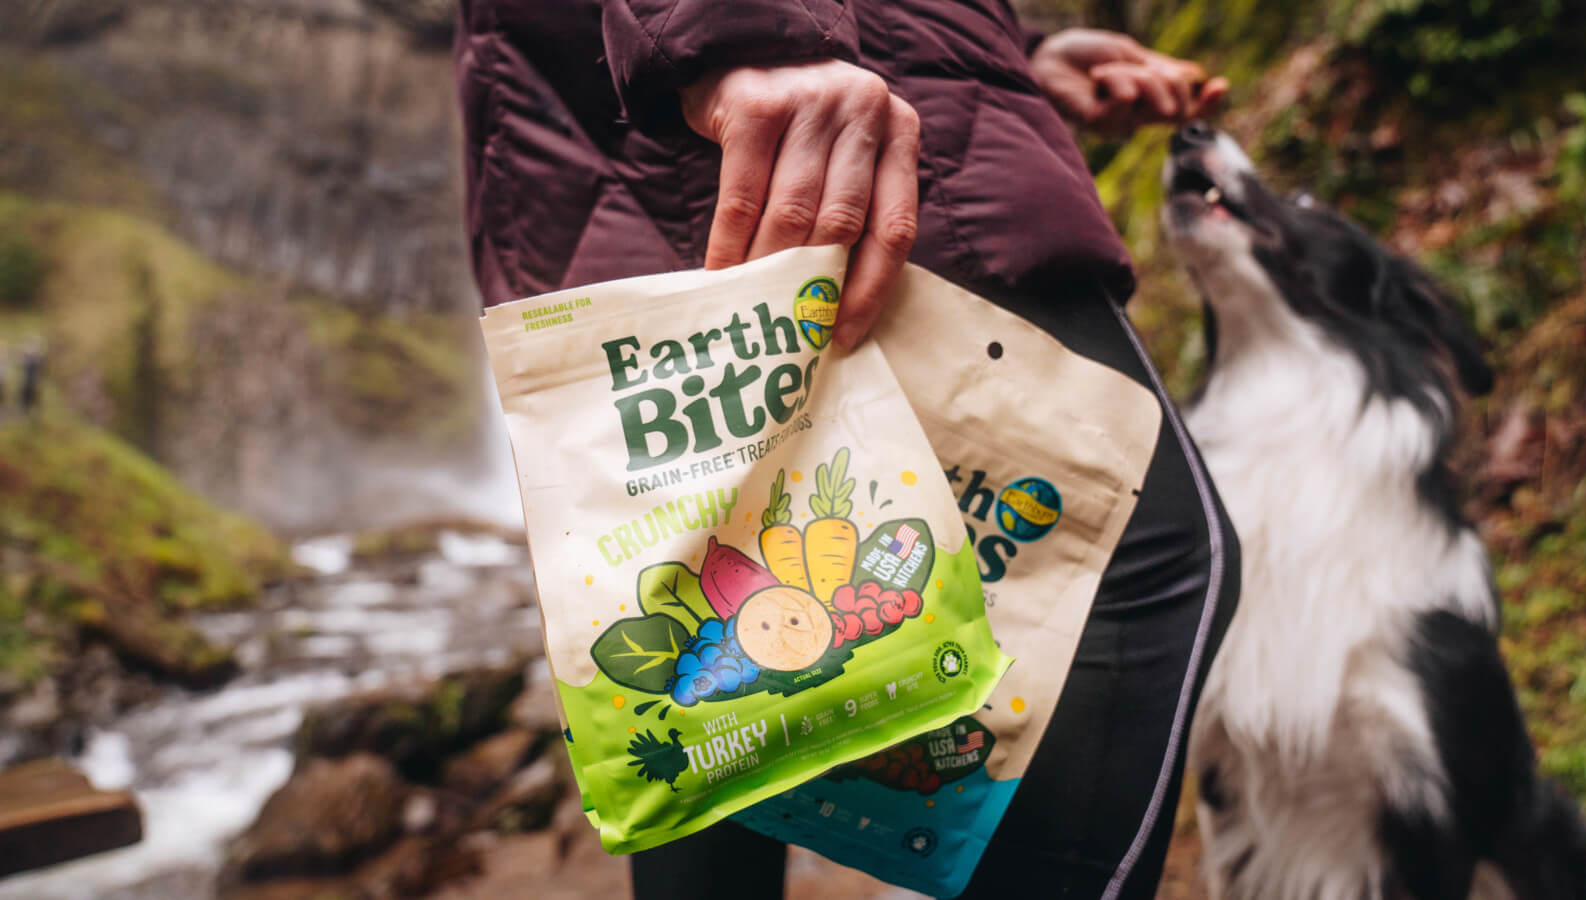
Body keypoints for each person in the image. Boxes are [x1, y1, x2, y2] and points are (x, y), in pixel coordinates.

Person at [454, 2, 1239, 897]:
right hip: (785, 125)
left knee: (700, 716)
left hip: (668, 126)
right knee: (1140, 560)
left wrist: (1015, 54)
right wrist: (746, 31)